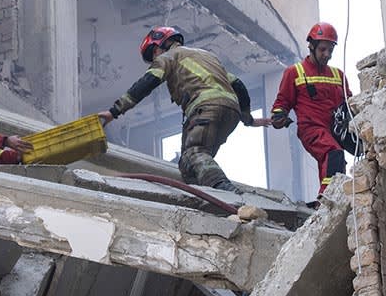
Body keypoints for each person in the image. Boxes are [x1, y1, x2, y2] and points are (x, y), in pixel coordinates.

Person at [98, 26, 266, 192]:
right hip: (231, 113)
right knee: (189, 167)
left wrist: (114, 111)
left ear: (161, 45)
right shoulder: (207, 56)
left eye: (154, 53)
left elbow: (147, 82)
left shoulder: (169, 57)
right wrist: (247, 118)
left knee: (194, 152)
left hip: (205, 108)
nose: (155, 58)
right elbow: (239, 85)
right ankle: (209, 199)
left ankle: (228, 191)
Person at [270, 21, 353, 197]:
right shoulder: (295, 72)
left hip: (335, 130)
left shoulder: (338, 75)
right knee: (333, 153)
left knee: (336, 163)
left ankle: (329, 200)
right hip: (311, 128)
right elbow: (282, 101)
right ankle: (328, 199)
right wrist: (279, 115)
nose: (327, 54)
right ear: (312, 46)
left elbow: (350, 103)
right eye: (323, 49)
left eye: (330, 50)